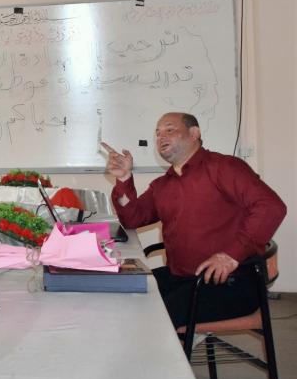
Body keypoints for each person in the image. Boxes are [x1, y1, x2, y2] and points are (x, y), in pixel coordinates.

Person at [102, 112, 286, 327]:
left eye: (170, 130)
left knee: (150, 320)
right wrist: (123, 178)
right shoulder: (163, 185)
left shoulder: (224, 167)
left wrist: (230, 256)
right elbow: (132, 218)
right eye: (157, 134)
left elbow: (271, 207)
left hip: (229, 282)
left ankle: (171, 346)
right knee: (124, 295)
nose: (161, 137)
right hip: (181, 276)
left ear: (194, 133)